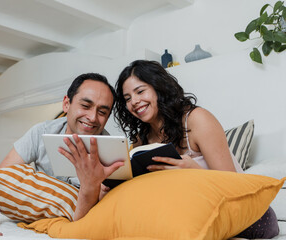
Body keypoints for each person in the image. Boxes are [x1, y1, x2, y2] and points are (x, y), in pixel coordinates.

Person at [113, 59, 279, 239]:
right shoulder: (140, 140)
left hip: (244, 211)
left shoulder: (196, 119)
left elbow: (233, 185)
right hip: (188, 213)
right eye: (127, 98)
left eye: (140, 91)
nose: (134, 102)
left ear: (158, 88)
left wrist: (194, 171)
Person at [0, 73, 123, 236]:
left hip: (79, 212)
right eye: (86, 106)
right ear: (67, 104)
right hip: (38, 205)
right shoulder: (42, 132)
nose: (92, 117)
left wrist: (90, 186)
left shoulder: (111, 151)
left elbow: (91, 215)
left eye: (102, 112)